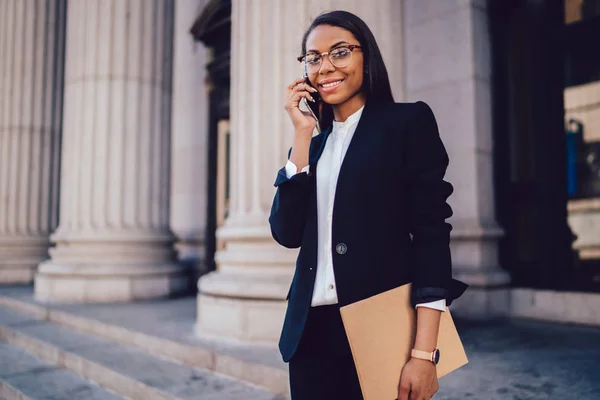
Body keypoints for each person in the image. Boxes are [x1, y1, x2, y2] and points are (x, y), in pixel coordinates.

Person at [269, 10, 466, 400]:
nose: (325, 67)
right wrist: (303, 134)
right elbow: (286, 232)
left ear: (366, 56)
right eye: (313, 57)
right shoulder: (314, 145)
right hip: (310, 335)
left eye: (339, 52)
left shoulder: (406, 122)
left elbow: (430, 235)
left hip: (382, 328)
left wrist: (424, 354)